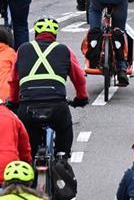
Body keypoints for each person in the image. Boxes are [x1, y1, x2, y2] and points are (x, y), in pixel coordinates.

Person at [9, 17, 88, 157]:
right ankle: (62, 161)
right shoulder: (65, 50)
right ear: (55, 35)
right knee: (64, 130)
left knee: (27, 152)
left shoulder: (22, 49)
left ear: (36, 34)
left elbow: (14, 80)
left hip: (27, 106)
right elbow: (79, 78)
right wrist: (81, 98)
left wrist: (14, 101)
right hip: (57, 106)